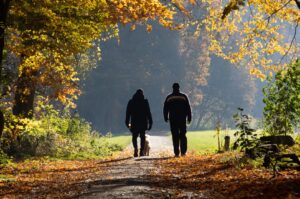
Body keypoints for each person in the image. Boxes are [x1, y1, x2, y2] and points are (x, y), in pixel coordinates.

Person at [163, 83, 192, 157]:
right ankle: (183, 152)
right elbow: (188, 108)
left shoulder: (169, 97)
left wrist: (166, 117)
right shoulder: (183, 96)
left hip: (173, 119)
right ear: (179, 88)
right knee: (183, 135)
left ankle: (176, 153)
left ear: (172, 88)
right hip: (182, 118)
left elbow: (165, 108)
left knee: (175, 135)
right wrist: (189, 117)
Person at [126, 89, 152, 157]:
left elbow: (128, 114)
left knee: (134, 137)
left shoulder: (131, 102)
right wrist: (150, 122)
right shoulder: (145, 102)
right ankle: (141, 151)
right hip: (143, 122)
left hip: (134, 122)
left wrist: (127, 122)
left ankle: (135, 149)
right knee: (142, 137)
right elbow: (148, 113)